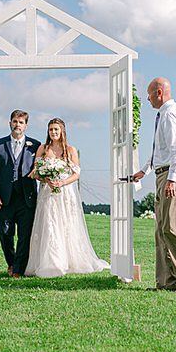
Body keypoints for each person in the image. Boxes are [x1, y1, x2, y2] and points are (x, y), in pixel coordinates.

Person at [130, 77, 176, 292]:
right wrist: (145, 170)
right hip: (163, 173)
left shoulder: (170, 114)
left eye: (149, 94)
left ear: (159, 93)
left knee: (173, 228)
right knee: (161, 230)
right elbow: (160, 151)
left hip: (172, 175)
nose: (148, 99)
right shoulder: (164, 114)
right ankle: (165, 282)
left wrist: (172, 179)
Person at [24, 118, 109, 277]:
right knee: (49, 224)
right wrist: (47, 179)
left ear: (62, 131)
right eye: (51, 129)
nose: (53, 132)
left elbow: (76, 174)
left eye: (56, 129)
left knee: (66, 224)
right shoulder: (43, 149)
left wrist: (62, 182)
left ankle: (69, 260)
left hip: (65, 193)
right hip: (47, 192)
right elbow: (35, 172)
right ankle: (51, 261)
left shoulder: (70, 150)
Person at [0, 109, 41, 278]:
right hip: (4, 198)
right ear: (10, 123)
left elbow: (41, 168)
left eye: (21, 122)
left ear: (26, 126)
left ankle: (18, 269)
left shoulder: (36, 145)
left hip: (27, 198)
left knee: (25, 235)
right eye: (15, 121)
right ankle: (11, 262)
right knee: (4, 233)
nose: (18, 125)